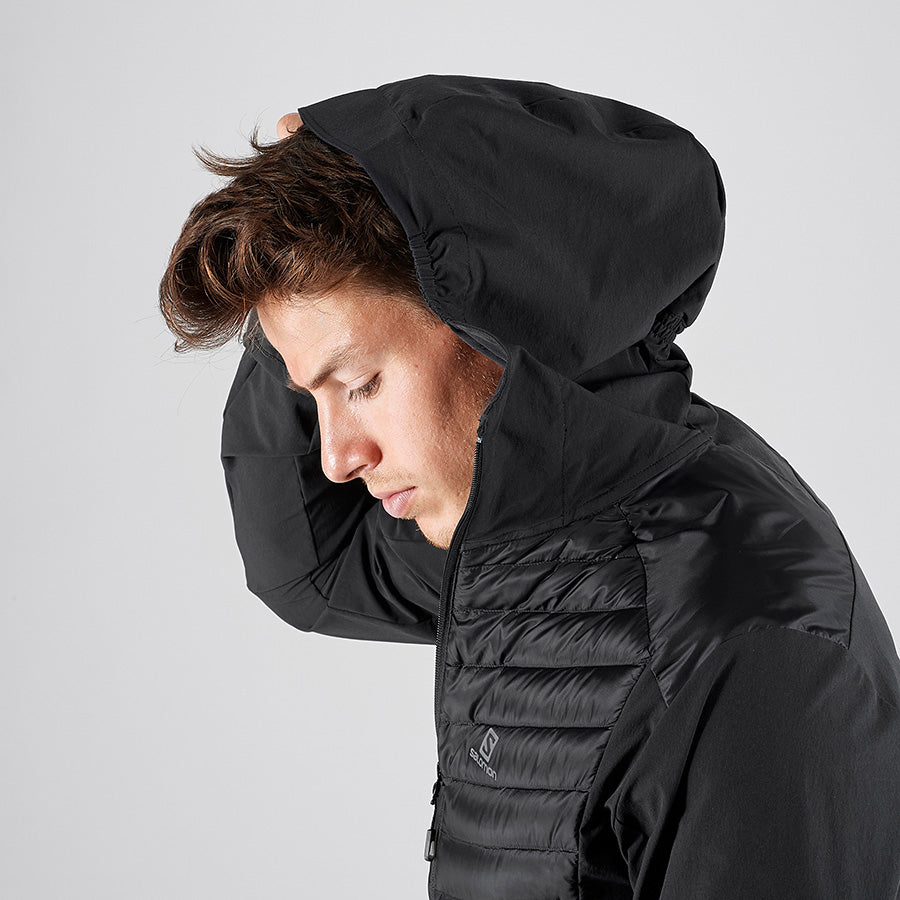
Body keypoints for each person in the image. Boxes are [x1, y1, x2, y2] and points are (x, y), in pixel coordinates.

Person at [159, 74, 900, 899]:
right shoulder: (527, 525)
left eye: (362, 384)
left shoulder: (754, 648)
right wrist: (293, 252)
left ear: (497, 322)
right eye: (312, 396)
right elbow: (309, 562)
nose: (336, 457)